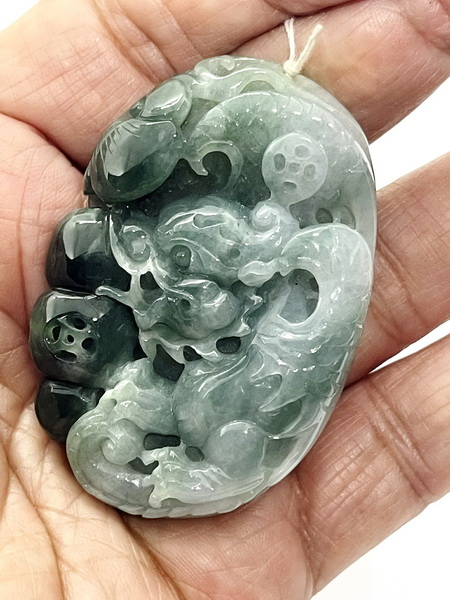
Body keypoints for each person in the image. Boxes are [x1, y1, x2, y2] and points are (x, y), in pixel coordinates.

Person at [0, 0, 448, 598]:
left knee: (203, 413)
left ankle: (201, 468)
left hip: (227, 398)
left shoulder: (234, 286)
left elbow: (207, 310)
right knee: (178, 399)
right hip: (198, 379)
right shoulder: (200, 277)